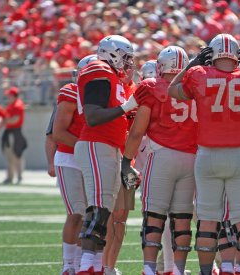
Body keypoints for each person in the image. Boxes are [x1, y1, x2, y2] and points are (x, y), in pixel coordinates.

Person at [168, 33, 240, 275]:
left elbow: (173, 90)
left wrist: (192, 64)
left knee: (208, 222)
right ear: (237, 56)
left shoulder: (199, 75)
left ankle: (206, 271)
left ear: (210, 55)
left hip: (208, 155)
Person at [122, 46, 195, 275]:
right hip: (191, 157)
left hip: (162, 155)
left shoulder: (152, 87)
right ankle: (178, 269)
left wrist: (126, 161)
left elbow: (136, 131)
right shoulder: (196, 86)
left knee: (154, 216)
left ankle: (150, 269)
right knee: (182, 217)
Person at [74, 35, 142, 275]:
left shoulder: (111, 76)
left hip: (108, 146)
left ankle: (95, 265)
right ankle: (86, 266)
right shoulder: (99, 70)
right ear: (113, 53)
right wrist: (127, 106)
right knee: (99, 208)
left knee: (104, 209)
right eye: (126, 57)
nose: (129, 62)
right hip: (96, 144)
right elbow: (93, 116)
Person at [51, 54, 97, 275]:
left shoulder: (106, 93)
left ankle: (82, 264)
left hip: (92, 157)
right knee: (76, 213)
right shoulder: (71, 91)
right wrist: (87, 147)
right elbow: (57, 133)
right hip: (71, 157)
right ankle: (69, 264)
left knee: (91, 214)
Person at [102, 58, 138, 275]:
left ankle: (110, 266)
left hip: (129, 160)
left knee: (121, 218)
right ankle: (101, 264)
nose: (128, 70)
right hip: (109, 155)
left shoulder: (138, 89)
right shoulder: (109, 88)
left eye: (130, 66)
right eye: (124, 66)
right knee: (105, 216)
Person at [1, 86, 27, 185]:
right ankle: (10, 177)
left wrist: (2, 121)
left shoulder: (17, 105)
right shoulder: (11, 105)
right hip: (10, 132)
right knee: (9, 156)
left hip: (14, 132)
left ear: (13, 95)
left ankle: (18, 176)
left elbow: (14, 120)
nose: (7, 97)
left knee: (17, 155)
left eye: (9, 95)